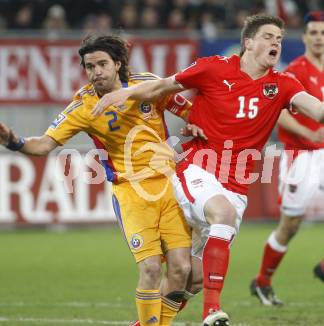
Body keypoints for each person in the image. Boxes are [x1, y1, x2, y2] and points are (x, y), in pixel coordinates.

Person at [92, 14, 324, 326]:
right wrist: (123, 94)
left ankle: (148, 324)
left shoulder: (283, 84)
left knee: (191, 279)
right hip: (198, 168)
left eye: (278, 38)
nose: (275, 42)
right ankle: (212, 312)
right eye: (268, 36)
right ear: (248, 42)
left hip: (237, 185)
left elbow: (320, 113)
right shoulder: (213, 67)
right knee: (221, 215)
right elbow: (164, 87)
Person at [0, 34, 203, 326]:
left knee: (182, 270)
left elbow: (189, 110)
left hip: (170, 187)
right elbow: (43, 145)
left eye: (102, 64)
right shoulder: (83, 107)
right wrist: (13, 142)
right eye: (89, 66)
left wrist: (195, 125)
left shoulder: (147, 84)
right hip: (131, 194)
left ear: (118, 64)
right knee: (150, 270)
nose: (96, 72)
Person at [249, 11, 324, 305]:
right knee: (290, 226)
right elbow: (277, 113)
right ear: (304, 38)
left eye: (323, 33)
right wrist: (307, 131)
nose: (318, 37)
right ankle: (262, 282)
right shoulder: (295, 71)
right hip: (300, 158)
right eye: (313, 32)